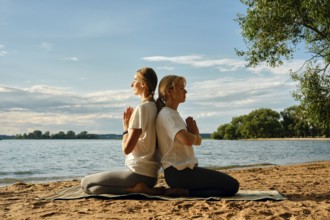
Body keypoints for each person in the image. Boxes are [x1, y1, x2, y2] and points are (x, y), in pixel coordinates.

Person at [81, 67, 163, 195]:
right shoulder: (155, 107)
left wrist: (125, 129)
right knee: (95, 189)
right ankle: (135, 189)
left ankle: (136, 189)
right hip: (152, 176)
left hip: (138, 174)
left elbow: (127, 149)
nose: (131, 84)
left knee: (85, 183)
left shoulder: (142, 108)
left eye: (134, 80)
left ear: (143, 84)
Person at [156, 75, 239, 197]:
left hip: (183, 172)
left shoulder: (172, 114)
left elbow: (195, 141)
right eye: (181, 88)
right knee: (232, 186)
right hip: (178, 173)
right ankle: (183, 191)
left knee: (231, 186)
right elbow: (187, 140)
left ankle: (185, 191)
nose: (185, 91)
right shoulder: (167, 115)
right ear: (169, 91)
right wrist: (195, 136)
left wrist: (194, 135)